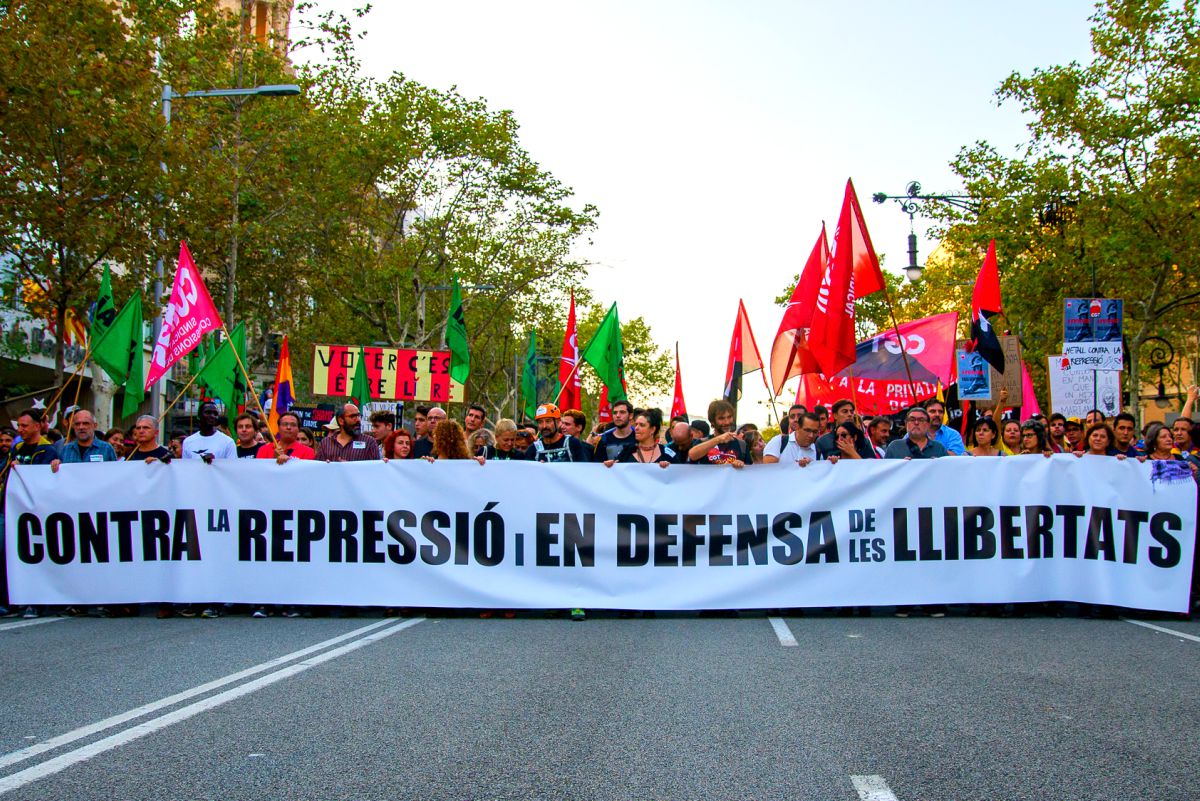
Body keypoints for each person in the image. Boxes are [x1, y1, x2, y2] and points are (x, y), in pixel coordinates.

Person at [1, 409, 57, 618]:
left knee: (33, 556)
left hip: (37, 514)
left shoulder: (48, 450)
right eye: (19, 426)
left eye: (25, 426)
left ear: (37, 426)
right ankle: (12, 600)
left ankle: (35, 601)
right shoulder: (16, 449)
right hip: (14, 511)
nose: (20, 430)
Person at [605, 408, 680, 467]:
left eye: (642, 425)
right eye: (636, 424)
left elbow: (679, 478)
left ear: (652, 429)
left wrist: (670, 469)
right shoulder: (626, 451)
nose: (636, 428)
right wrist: (610, 465)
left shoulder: (667, 454)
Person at [688, 399, 747, 466]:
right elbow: (692, 455)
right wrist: (718, 439)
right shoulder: (702, 442)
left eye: (729, 417)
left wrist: (741, 465)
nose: (727, 422)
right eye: (721, 418)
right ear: (712, 421)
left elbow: (750, 472)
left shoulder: (742, 445)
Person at [315, 403, 381, 462]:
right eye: (352, 416)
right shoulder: (326, 443)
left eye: (359, 416)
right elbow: (318, 470)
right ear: (341, 420)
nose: (358, 420)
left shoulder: (369, 443)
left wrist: (350, 468)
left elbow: (374, 471)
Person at [884, 407, 948, 459]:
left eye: (921, 420)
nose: (916, 423)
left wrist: (938, 465)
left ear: (928, 424)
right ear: (906, 424)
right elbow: (887, 472)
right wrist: (901, 465)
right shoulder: (895, 447)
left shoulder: (939, 448)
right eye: (912, 420)